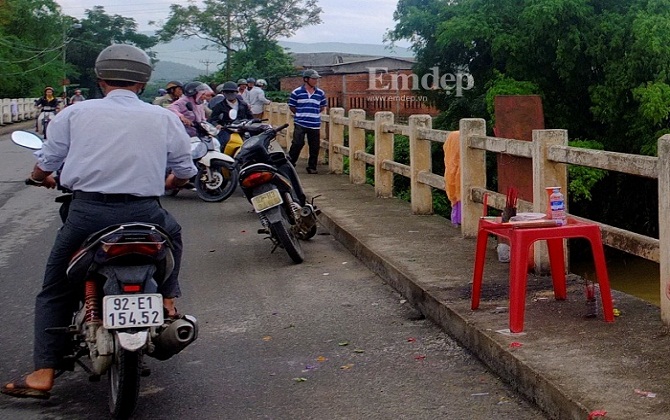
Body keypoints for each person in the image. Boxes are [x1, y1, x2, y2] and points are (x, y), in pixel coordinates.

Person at [0, 44, 197, 400]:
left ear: (100, 78)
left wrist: (38, 176)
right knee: (174, 234)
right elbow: (184, 169)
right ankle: (168, 299)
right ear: (143, 81)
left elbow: (47, 161)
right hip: (146, 214)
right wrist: (172, 184)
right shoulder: (163, 116)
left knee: (55, 289)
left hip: (88, 214)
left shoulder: (75, 113)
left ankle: (44, 372)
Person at [287, 69, 327, 174]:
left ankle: (312, 167)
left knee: (314, 146)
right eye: (313, 79)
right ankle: (290, 164)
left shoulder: (320, 93)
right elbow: (292, 107)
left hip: (314, 123)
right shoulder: (296, 92)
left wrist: (312, 113)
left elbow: (322, 107)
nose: (315, 81)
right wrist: (302, 114)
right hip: (300, 122)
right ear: (306, 79)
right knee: (297, 143)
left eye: (316, 79)